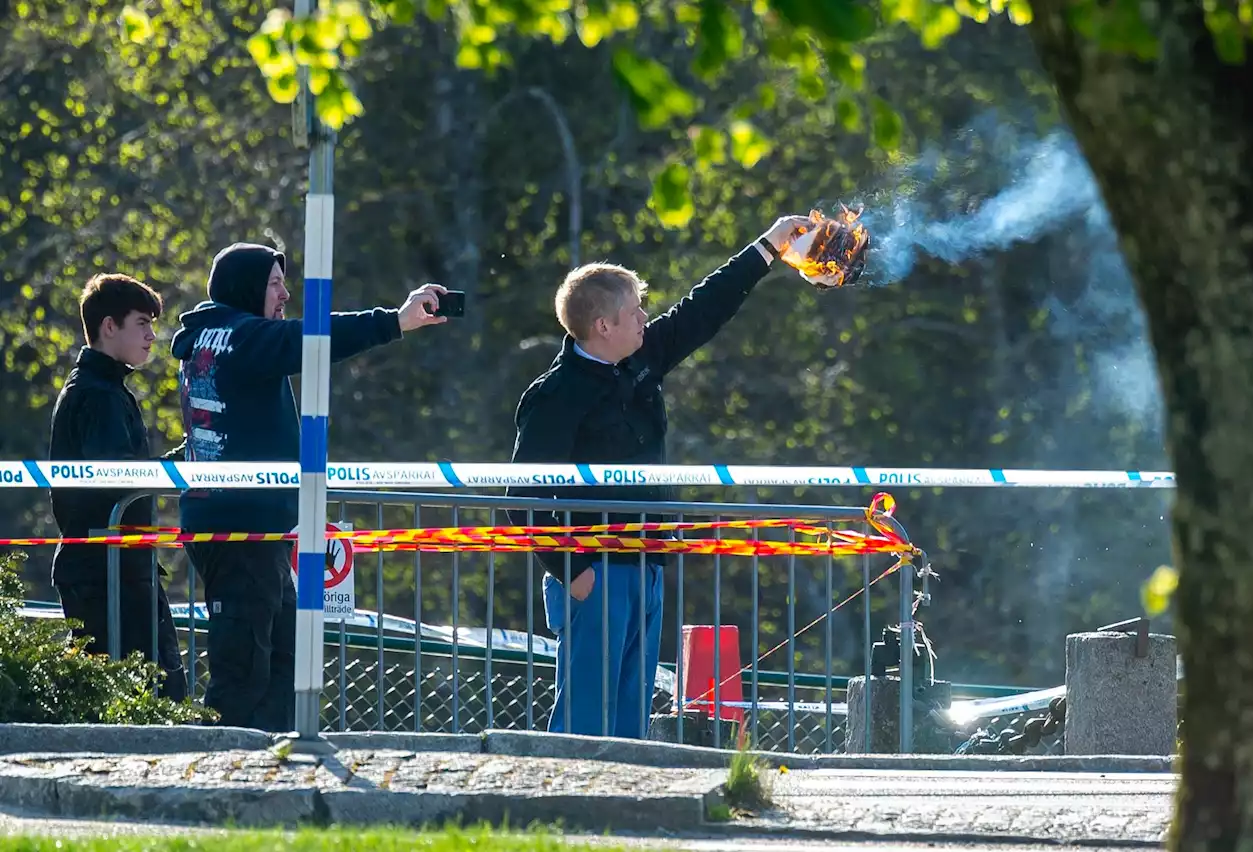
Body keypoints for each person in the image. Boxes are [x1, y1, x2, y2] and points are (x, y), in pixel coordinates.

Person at [508, 215, 812, 738]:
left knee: (631, 716)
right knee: (584, 717)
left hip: (647, 564)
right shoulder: (555, 394)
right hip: (594, 570)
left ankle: (625, 811)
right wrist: (573, 570)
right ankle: (564, 809)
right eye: (635, 311)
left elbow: (703, 309)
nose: (646, 318)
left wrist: (769, 245)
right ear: (602, 326)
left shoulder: (642, 355)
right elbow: (522, 497)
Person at [171, 242, 449, 731]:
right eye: (275, 283)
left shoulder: (210, 337)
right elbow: (315, 337)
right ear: (246, 288)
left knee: (283, 660)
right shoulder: (241, 338)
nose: (285, 293)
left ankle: (274, 771)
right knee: (243, 669)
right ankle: (219, 775)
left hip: (253, 527)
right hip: (242, 529)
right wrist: (395, 321)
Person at [49, 273, 188, 702]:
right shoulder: (98, 394)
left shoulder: (101, 388)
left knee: (149, 693)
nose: (151, 336)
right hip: (107, 574)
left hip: (115, 568)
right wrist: (183, 464)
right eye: (142, 323)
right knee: (147, 698)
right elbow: (118, 479)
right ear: (109, 327)